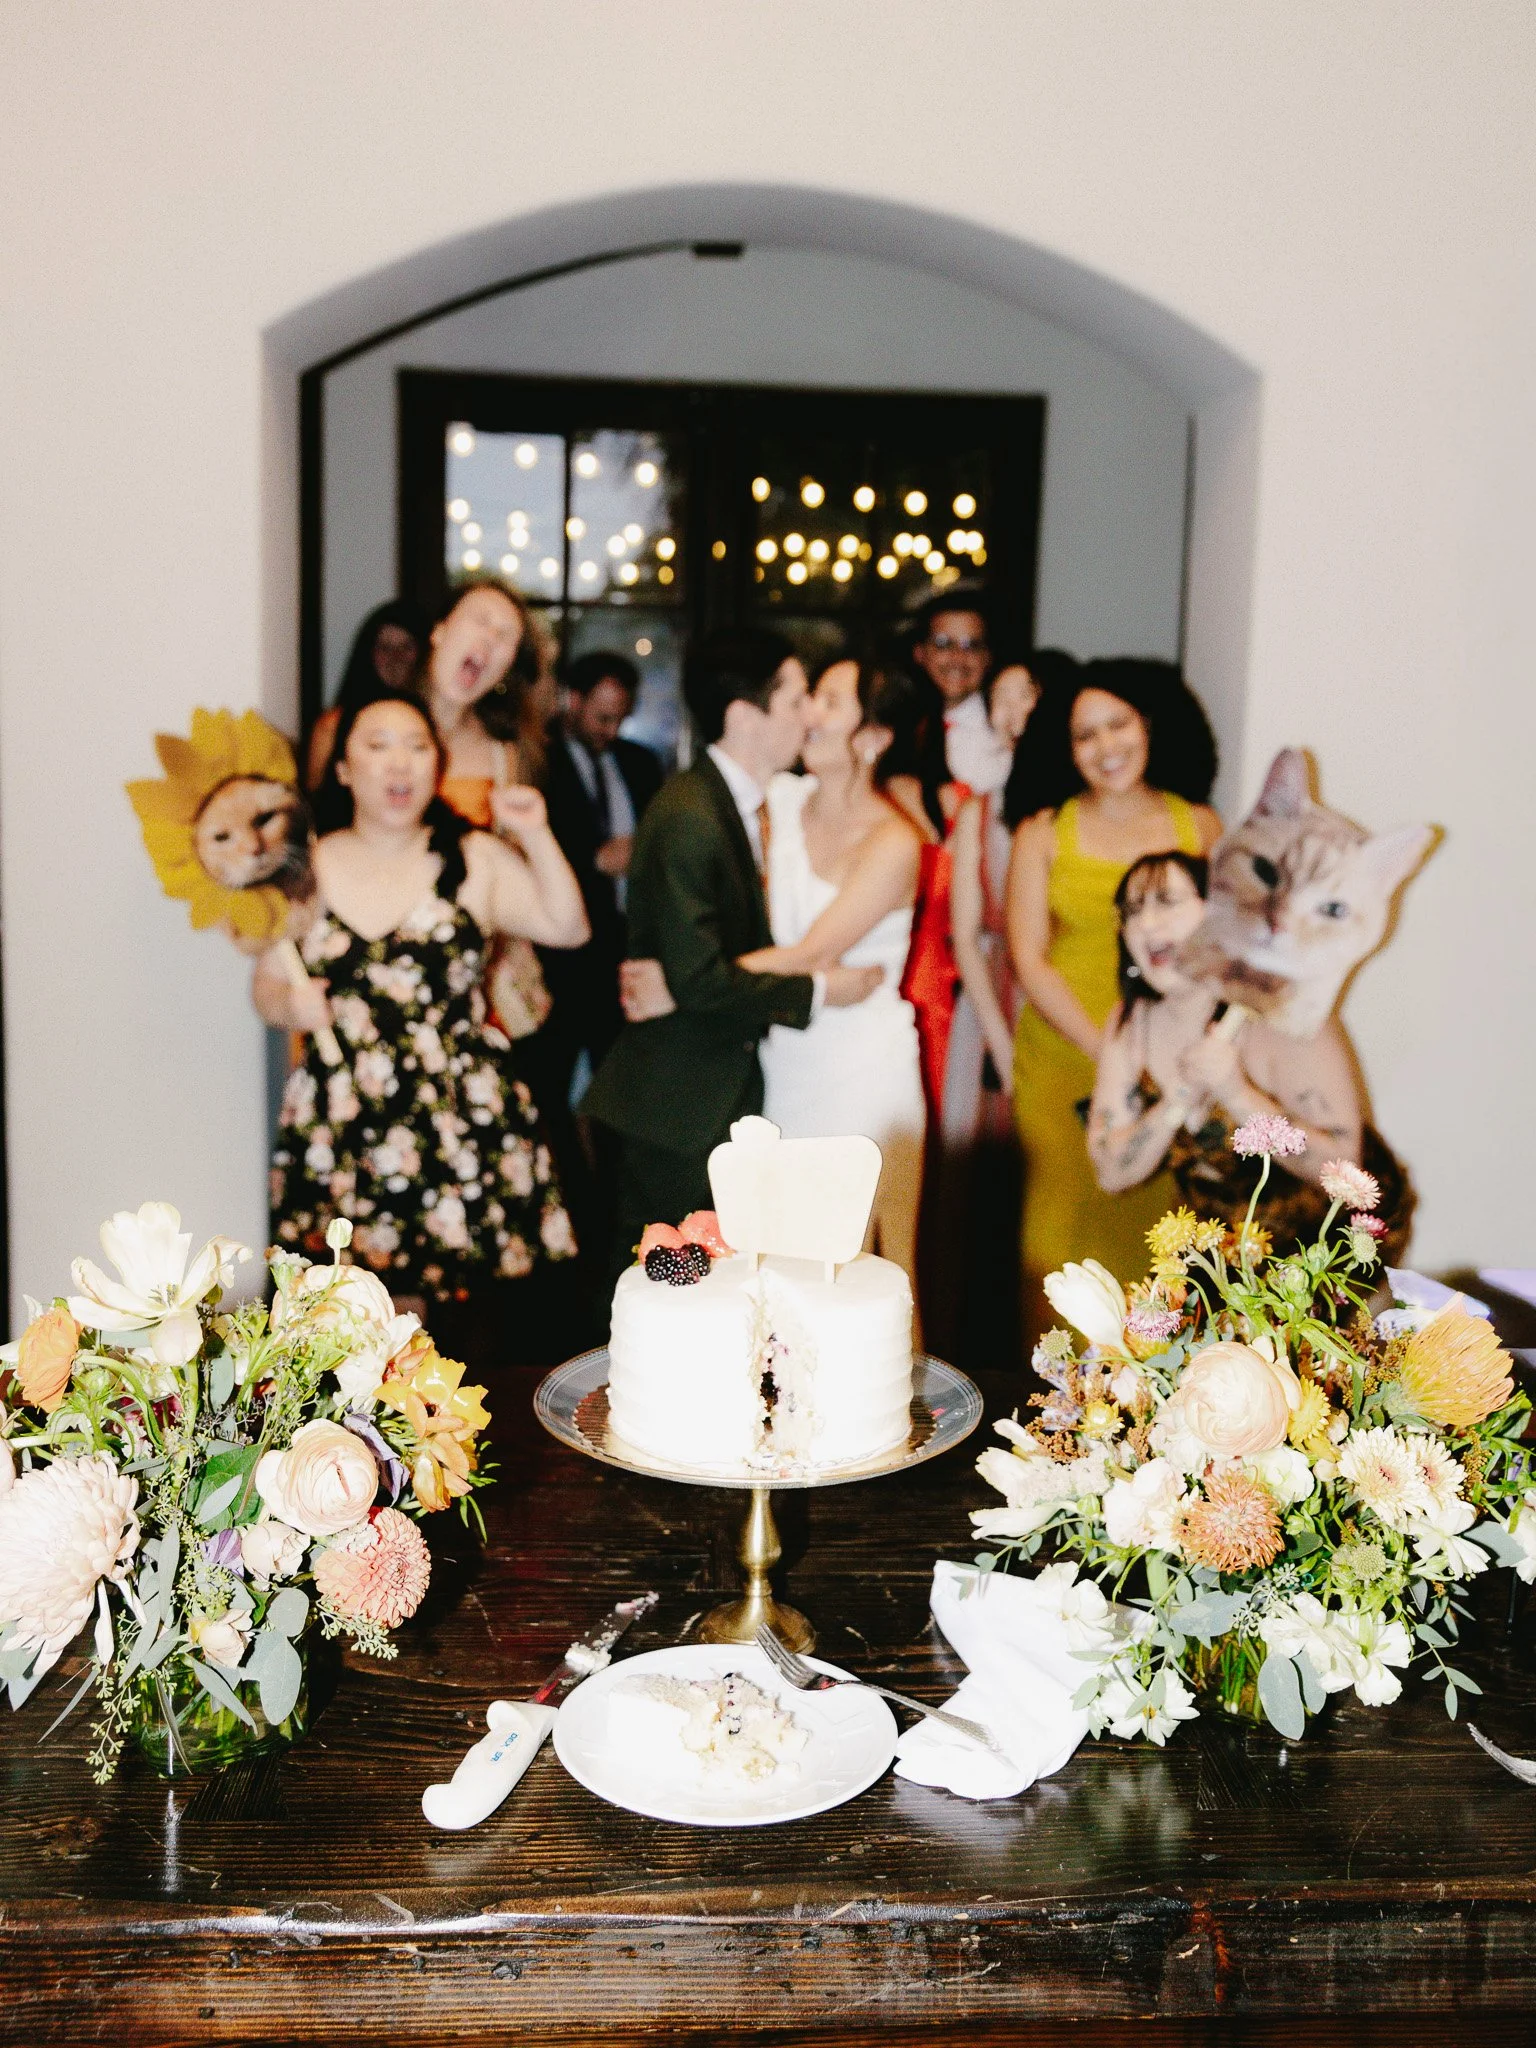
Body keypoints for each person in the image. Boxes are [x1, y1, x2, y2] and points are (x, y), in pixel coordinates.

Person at [257, 691, 589, 1314]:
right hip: (342, 1113)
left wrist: (534, 832)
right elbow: (268, 986)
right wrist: (290, 1006)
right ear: (344, 768)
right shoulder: (307, 866)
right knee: (346, 1314)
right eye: (377, 746)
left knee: (458, 1323)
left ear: (437, 765)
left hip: (454, 1114)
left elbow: (567, 926)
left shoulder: (474, 858)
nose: (399, 763)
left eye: (417, 746)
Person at [582, 628, 882, 1272]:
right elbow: (699, 980)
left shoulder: (738, 803)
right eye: (795, 699)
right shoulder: (691, 815)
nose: (810, 714)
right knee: (661, 1286)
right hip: (678, 1103)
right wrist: (822, 990)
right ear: (745, 716)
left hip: (708, 1093)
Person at [1005, 658, 1222, 1337]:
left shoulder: (1201, 827)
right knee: (1058, 1236)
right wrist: (1112, 1052)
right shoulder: (1042, 832)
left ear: (1149, 725)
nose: (1105, 747)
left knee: (1164, 1236)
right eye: (1085, 735)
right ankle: (1058, 1391)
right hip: (1064, 1055)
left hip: (1172, 1058)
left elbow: (1223, 949)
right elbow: (1028, 958)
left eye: (1118, 725)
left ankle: (1157, 1387)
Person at [1088, 849, 1414, 1259]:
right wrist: (1177, 1099)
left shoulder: (1283, 1012)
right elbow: (1111, 1173)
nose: (1147, 923)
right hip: (1219, 1250)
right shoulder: (1133, 1022)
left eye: (1167, 902)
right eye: (1132, 911)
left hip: (1325, 1249)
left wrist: (1235, 1092)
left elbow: (1345, 1171)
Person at [744, 657, 926, 1285]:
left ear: (873, 737)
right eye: (812, 697)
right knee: (780, 1274)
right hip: (784, 1063)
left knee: (868, 1281)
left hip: (864, 1073)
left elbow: (810, 954)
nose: (810, 713)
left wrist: (692, 983)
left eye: (830, 701)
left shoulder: (895, 842)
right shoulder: (778, 800)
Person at [541, 650, 664, 1104]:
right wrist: (594, 861)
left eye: (620, 719)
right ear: (573, 701)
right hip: (561, 954)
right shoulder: (540, 762)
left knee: (621, 1089)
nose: (611, 731)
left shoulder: (640, 763)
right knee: (551, 1084)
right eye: (602, 718)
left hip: (624, 949)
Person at [304, 599, 429, 791]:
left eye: (407, 647)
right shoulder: (332, 726)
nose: (396, 657)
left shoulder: (434, 721)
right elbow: (314, 797)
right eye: (385, 648)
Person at [909, 590, 1012, 799]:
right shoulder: (898, 727)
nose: (957, 658)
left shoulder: (1005, 734)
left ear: (987, 657)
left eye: (971, 646)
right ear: (920, 653)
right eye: (943, 644)